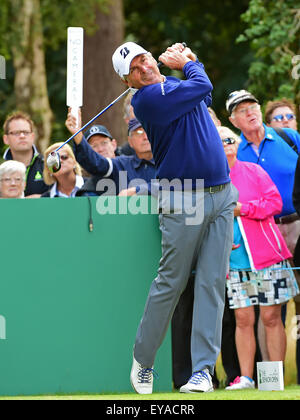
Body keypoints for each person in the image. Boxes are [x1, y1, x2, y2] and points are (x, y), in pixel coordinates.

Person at [112, 41, 237, 394]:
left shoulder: (175, 88)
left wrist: (188, 65)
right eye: (134, 69)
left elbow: (204, 100)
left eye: (144, 59)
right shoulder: (145, 101)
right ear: (128, 82)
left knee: (212, 282)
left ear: (153, 58)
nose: (144, 67)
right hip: (183, 198)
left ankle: (202, 372)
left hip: (222, 193)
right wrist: (188, 62)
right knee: (172, 282)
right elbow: (203, 87)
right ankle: (144, 360)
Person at [216, 125, 299, 390]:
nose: (227, 144)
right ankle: (247, 378)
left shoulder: (253, 170)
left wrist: (245, 209)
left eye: (230, 139)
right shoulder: (210, 180)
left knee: (271, 318)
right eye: (221, 141)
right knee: (242, 319)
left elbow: (274, 203)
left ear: (237, 144)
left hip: (266, 257)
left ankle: (275, 380)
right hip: (234, 262)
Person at [65, 111, 156, 196]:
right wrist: (77, 134)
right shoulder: (120, 164)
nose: (145, 137)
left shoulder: (166, 162)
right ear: (130, 141)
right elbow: (95, 163)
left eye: (148, 131)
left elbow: (169, 185)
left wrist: (137, 190)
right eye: (139, 132)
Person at [2, 111, 48, 197]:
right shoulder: (1, 170)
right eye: (16, 133)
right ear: (6, 139)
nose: (22, 136)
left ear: (33, 136)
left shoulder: (47, 166)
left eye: (26, 132)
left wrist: (43, 198)